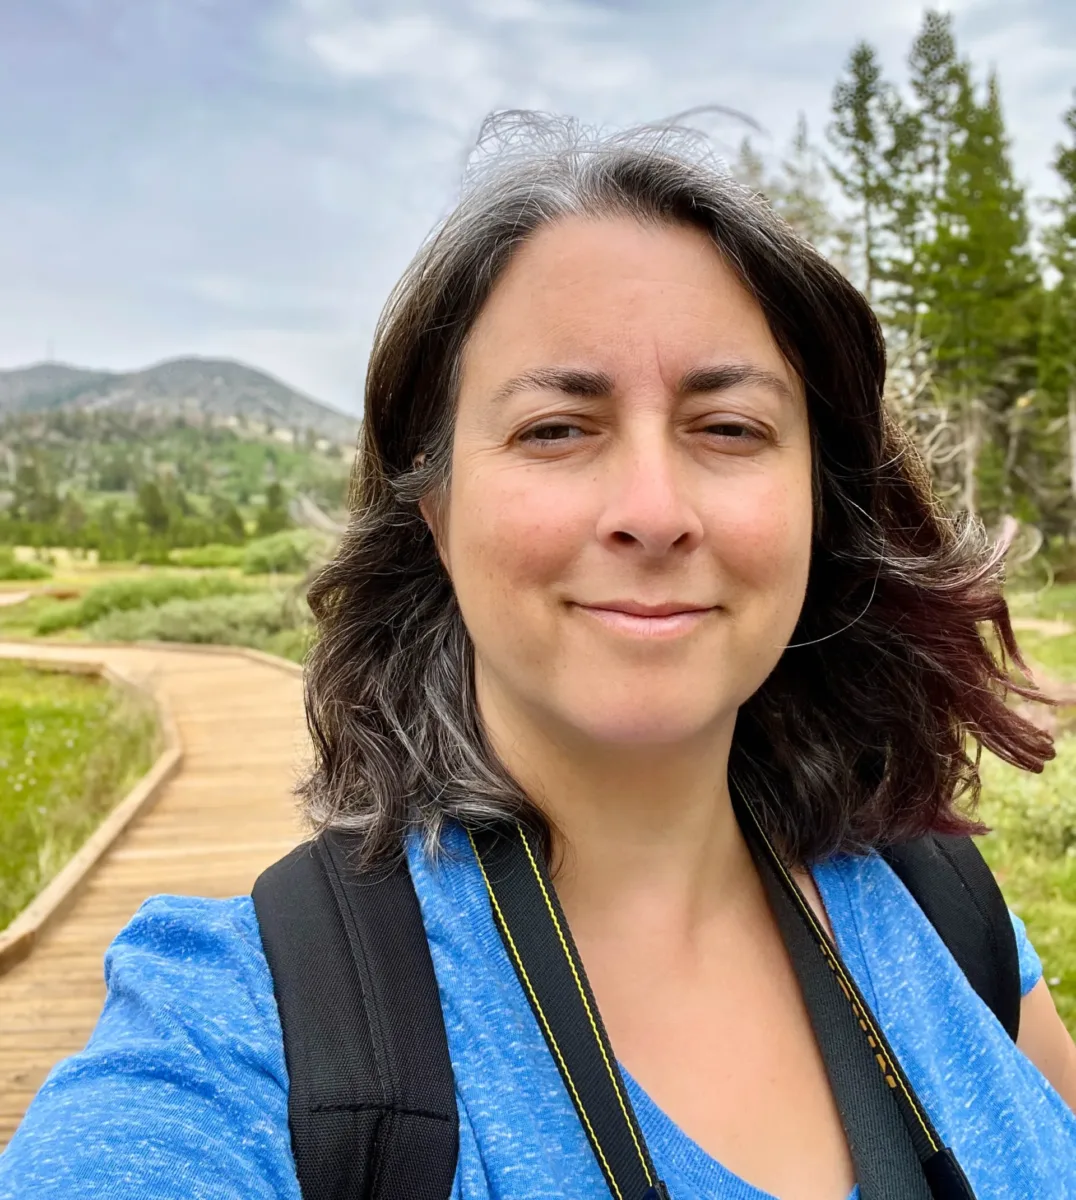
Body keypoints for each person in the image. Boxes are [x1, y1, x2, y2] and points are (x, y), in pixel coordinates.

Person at [2, 113, 1075, 1200]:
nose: (652, 512)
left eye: (729, 427)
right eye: (556, 428)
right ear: (432, 506)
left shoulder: (935, 908)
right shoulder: (249, 1034)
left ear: (815, 502)